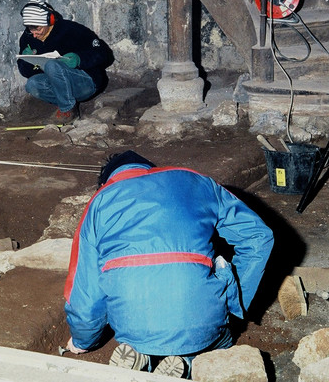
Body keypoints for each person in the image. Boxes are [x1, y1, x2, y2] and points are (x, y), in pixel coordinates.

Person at [63, 151, 274, 378]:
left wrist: (82, 341)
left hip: (134, 325)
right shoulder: (195, 181)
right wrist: (234, 298)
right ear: (151, 170)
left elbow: (85, 293)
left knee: (137, 318)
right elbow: (258, 237)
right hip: (201, 318)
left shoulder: (98, 203)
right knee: (217, 339)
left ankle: (144, 357)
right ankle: (188, 362)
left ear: (106, 182)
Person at [17, 0, 114, 123]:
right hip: (60, 86)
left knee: (52, 65)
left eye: (38, 29)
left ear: (50, 20)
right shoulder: (28, 38)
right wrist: (27, 61)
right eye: (31, 29)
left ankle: (67, 110)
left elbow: (104, 54)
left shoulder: (72, 30)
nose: (34, 34)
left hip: (86, 82)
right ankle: (66, 104)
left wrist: (79, 59)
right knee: (32, 84)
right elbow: (24, 72)